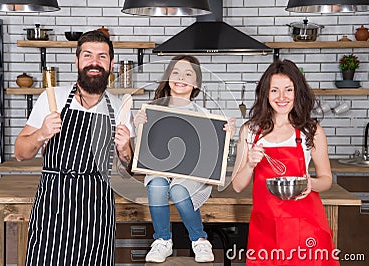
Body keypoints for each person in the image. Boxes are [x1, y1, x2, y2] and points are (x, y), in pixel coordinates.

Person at [14, 30, 134, 266]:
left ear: (110, 63)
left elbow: (126, 173)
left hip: (97, 211)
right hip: (54, 208)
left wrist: (125, 150)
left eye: (102, 56)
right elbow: (20, 153)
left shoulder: (120, 108)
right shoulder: (53, 99)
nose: (95, 62)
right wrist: (41, 134)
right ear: (77, 61)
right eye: (88, 55)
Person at [231, 59, 339, 265]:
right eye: (275, 91)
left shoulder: (311, 131)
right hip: (266, 229)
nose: (282, 97)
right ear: (265, 94)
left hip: (307, 228)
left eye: (288, 90)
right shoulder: (250, 132)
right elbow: (237, 185)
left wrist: (311, 183)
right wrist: (250, 164)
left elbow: (326, 179)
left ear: (297, 92)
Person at [134, 55, 236, 263]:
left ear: (196, 83)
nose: (181, 78)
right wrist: (139, 129)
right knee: (157, 185)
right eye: (176, 72)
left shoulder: (205, 115)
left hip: (190, 175)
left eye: (188, 74)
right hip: (160, 171)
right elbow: (142, 154)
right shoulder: (151, 111)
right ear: (168, 77)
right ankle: (162, 240)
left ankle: (199, 240)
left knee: (178, 190)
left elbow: (211, 157)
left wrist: (226, 136)